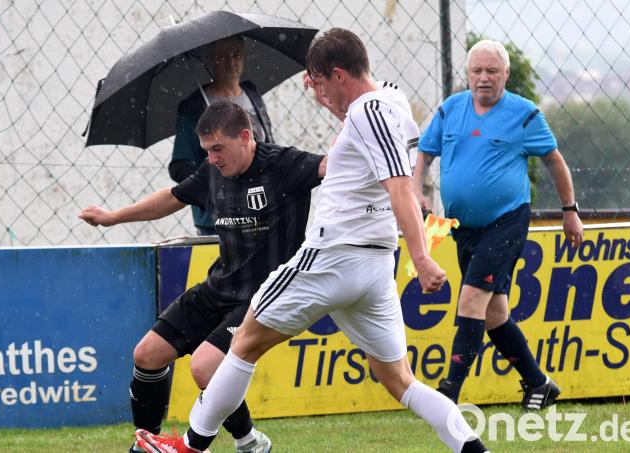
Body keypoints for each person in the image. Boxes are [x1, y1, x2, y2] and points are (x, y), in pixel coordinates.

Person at [136, 28, 489, 453]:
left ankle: (192, 447)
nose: (318, 91)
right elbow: (362, 139)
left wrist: (423, 256)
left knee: (244, 341)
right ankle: (472, 447)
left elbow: (399, 187)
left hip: (334, 255)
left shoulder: (366, 112)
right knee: (400, 381)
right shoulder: (391, 103)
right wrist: (331, 103)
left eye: (320, 83)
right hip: (375, 265)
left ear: (338, 74)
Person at [80, 101, 325, 453]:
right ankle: (148, 443)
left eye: (217, 149)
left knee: (205, 367)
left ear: (245, 137)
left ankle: (249, 442)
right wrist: (112, 217)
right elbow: (171, 198)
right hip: (220, 287)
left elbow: (336, 166)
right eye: (206, 150)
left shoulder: (283, 164)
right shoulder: (213, 172)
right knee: (147, 355)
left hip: (264, 295)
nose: (211, 158)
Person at [413, 39, 584, 409]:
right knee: (494, 315)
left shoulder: (524, 115)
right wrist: (416, 192)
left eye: (492, 71)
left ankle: (448, 394)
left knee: (472, 301)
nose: (483, 79)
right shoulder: (450, 110)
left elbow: (555, 161)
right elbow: (424, 153)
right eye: (477, 71)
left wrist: (569, 210)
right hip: (462, 226)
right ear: (468, 74)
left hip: (506, 221)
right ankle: (539, 384)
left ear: (506, 74)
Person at [169, 35, 276, 235]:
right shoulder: (194, 107)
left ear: (243, 58)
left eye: (236, 54)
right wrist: (213, 187)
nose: (231, 61)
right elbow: (180, 166)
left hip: (260, 212)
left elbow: (268, 147)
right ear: (209, 61)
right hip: (218, 221)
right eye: (222, 56)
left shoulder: (253, 97)